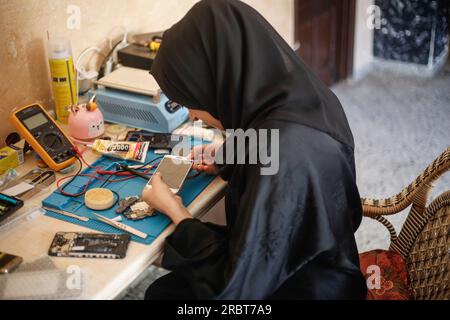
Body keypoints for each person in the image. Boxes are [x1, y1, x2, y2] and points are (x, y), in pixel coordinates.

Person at [141, 0, 367, 300]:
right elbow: (275, 141)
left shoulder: (285, 154)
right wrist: (226, 156)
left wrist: (177, 213)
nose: (194, 115)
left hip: (302, 288)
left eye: (190, 101)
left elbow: (235, 290)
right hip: (316, 263)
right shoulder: (303, 97)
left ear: (215, 82)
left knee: (163, 295)